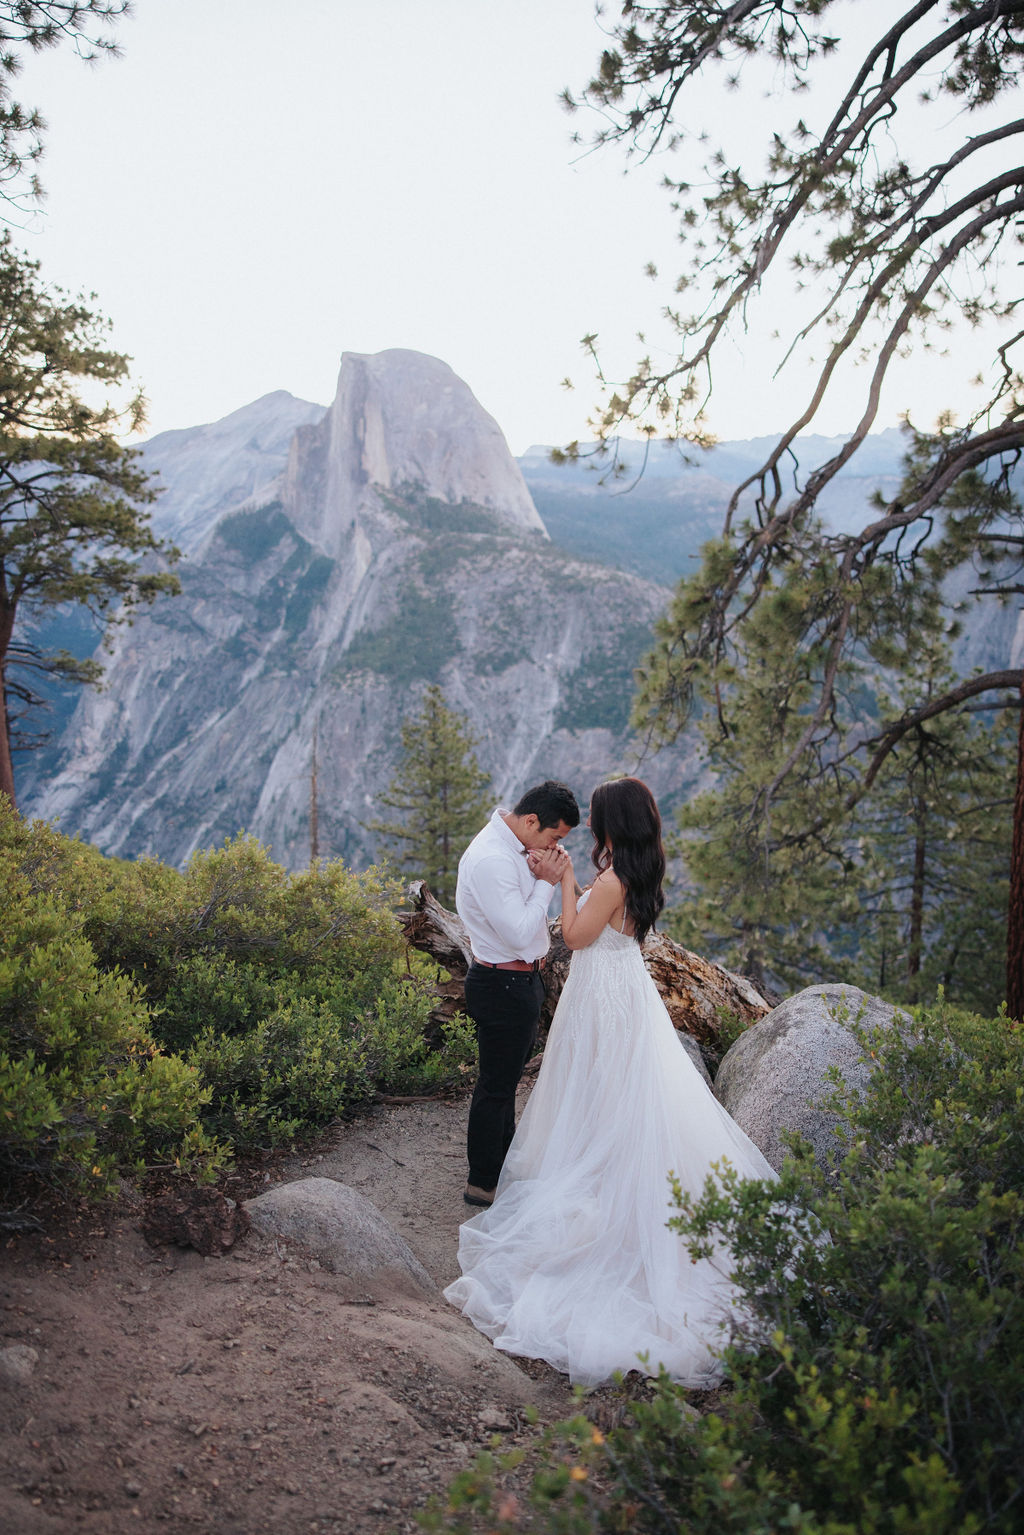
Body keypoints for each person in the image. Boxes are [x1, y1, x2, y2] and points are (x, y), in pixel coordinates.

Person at [444, 777, 778, 1388]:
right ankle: (601, 1173)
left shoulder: (612, 879)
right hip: (626, 991)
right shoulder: (641, 872)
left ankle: (602, 1189)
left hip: (601, 994)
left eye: (597, 819)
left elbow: (572, 936)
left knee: (596, 1091)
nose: (592, 827)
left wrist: (566, 882)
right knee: (623, 1093)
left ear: (613, 822)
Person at [455, 780, 580, 1209]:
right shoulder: (492, 859)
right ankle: (482, 1183)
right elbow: (523, 931)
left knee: (505, 1083)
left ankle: (500, 1169)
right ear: (531, 821)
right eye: (555, 836)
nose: (557, 847)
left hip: (519, 981)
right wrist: (547, 882)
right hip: (500, 984)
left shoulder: (513, 849)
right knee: (495, 1085)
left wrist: (539, 871)